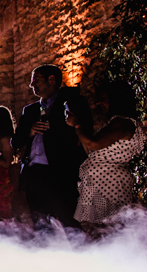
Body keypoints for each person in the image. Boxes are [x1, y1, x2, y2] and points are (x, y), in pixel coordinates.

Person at [12, 64, 90, 229]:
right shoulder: (30, 110)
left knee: (69, 222)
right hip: (34, 175)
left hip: (60, 175)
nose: (32, 85)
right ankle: (46, 254)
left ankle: (80, 254)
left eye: (36, 81)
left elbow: (84, 132)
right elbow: (15, 142)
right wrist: (30, 132)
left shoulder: (72, 103)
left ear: (52, 79)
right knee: (40, 225)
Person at [67, 80, 145, 238]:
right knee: (97, 231)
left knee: (110, 231)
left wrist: (77, 126)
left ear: (116, 98)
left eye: (102, 97)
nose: (97, 103)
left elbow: (94, 144)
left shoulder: (122, 122)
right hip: (101, 183)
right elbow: (92, 151)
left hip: (111, 184)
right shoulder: (113, 123)